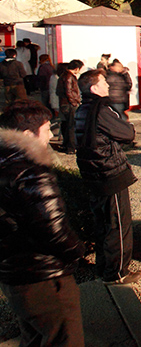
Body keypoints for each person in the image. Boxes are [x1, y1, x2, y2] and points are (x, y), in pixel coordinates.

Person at [0, 100, 85, 347]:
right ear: (28, 135)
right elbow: (53, 230)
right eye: (47, 128)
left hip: (15, 274)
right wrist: (76, 251)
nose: (51, 134)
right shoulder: (31, 171)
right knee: (64, 339)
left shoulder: (5, 161)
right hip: (44, 275)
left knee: (35, 337)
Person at [74, 70, 140, 284]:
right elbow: (127, 134)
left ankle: (104, 266)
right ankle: (117, 272)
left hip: (93, 172)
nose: (108, 86)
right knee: (118, 224)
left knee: (102, 223)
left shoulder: (82, 109)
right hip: (109, 172)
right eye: (103, 82)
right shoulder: (101, 109)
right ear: (94, 88)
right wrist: (128, 127)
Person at [56, 60, 83, 154]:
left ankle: (66, 144)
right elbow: (69, 91)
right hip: (69, 104)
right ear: (77, 68)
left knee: (65, 125)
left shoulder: (62, 75)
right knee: (71, 126)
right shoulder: (69, 77)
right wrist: (74, 102)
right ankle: (71, 147)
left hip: (63, 103)